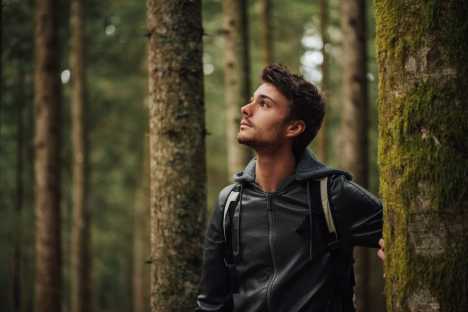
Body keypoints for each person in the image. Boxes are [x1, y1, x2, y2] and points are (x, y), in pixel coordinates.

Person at [197, 64, 384, 312]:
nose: (246, 109)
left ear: (293, 127)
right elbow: (211, 303)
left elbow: (409, 234)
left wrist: (398, 255)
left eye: (264, 104)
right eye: (251, 100)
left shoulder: (331, 195)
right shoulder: (229, 203)